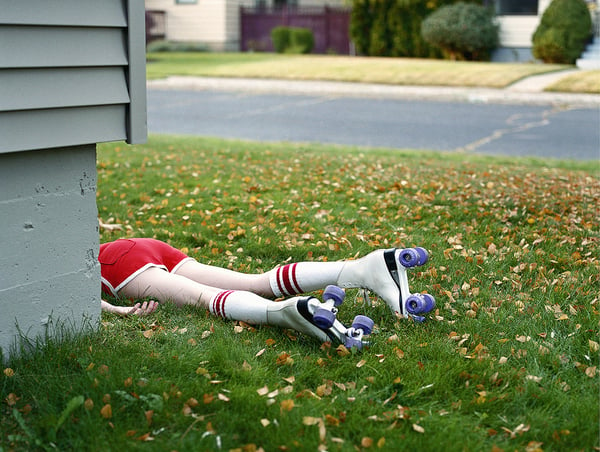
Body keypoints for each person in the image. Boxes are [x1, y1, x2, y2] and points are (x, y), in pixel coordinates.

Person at [99, 238, 433, 347]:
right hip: (140, 246)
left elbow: (60, 287)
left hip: (116, 265)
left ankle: (286, 312)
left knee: (203, 298)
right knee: (253, 282)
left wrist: (115, 310)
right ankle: (364, 268)